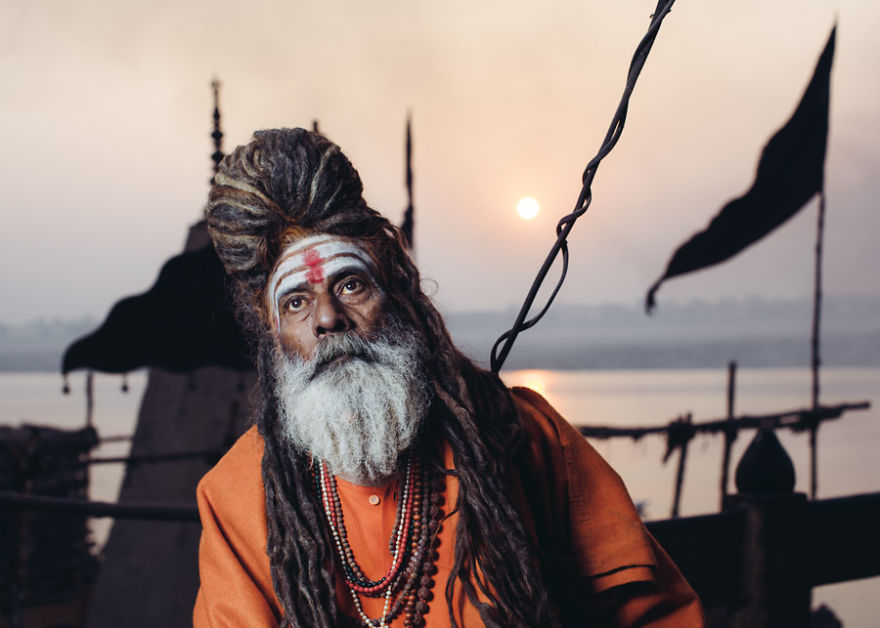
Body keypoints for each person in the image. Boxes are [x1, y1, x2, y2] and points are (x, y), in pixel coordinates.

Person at [193, 127, 703, 627]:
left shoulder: (520, 435)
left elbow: (659, 616)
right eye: (297, 302)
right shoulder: (236, 494)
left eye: (350, 285)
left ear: (395, 290)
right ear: (273, 331)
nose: (328, 317)